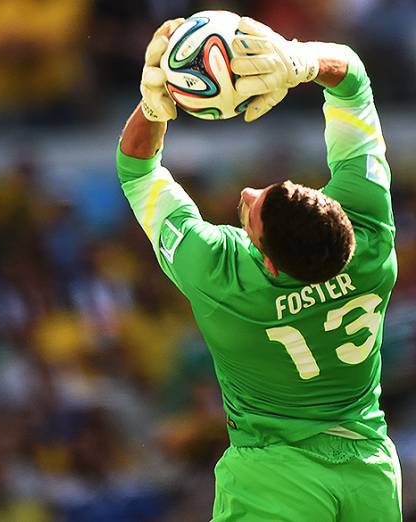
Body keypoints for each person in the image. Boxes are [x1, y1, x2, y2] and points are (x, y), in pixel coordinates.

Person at [116, 15, 401, 521]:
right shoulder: (371, 231)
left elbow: (138, 171)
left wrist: (155, 104)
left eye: (251, 212)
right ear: (327, 204)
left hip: (273, 476)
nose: (246, 193)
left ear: (266, 258)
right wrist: (299, 59)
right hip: (369, 468)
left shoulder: (219, 273)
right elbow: (352, 77)